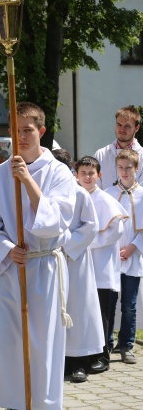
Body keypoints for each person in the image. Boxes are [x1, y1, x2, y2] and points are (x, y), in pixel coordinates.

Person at [0, 102, 76, 409]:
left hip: (44, 268)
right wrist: (6, 249)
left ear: (41, 131)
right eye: (15, 131)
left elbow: (55, 221)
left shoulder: (59, 174)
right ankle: (16, 402)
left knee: (42, 346)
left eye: (27, 130)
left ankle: (42, 404)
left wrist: (28, 180)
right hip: (11, 270)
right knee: (10, 343)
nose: (21, 136)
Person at [52, 149, 102, 383]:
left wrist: (67, 246)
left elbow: (91, 225)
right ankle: (58, 361)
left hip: (74, 258)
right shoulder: (46, 193)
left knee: (78, 309)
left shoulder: (80, 194)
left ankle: (80, 363)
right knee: (54, 310)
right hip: (50, 259)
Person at [75, 155, 128, 375]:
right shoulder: (74, 197)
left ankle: (102, 356)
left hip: (100, 268)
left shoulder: (105, 200)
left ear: (99, 175)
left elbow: (116, 230)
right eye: (83, 173)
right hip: (79, 267)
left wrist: (84, 242)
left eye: (91, 173)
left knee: (102, 314)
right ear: (76, 175)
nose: (87, 177)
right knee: (84, 314)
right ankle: (84, 355)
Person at [105, 149, 143, 365]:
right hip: (110, 259)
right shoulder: (109, 194)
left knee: (129, 304)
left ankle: (126, 345)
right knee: (109, 303)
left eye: (129, 167)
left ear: (136, 168)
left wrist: (132, 248)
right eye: (121, 167)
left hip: (133, 257)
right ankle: (106, 343)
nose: (125, 171)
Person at [93, 106, 143, 189]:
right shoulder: (101, 155)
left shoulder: (141, 156)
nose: (122, 130)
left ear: (137, 128)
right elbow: (95, 189)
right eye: (119, 125)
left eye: (127, 126)